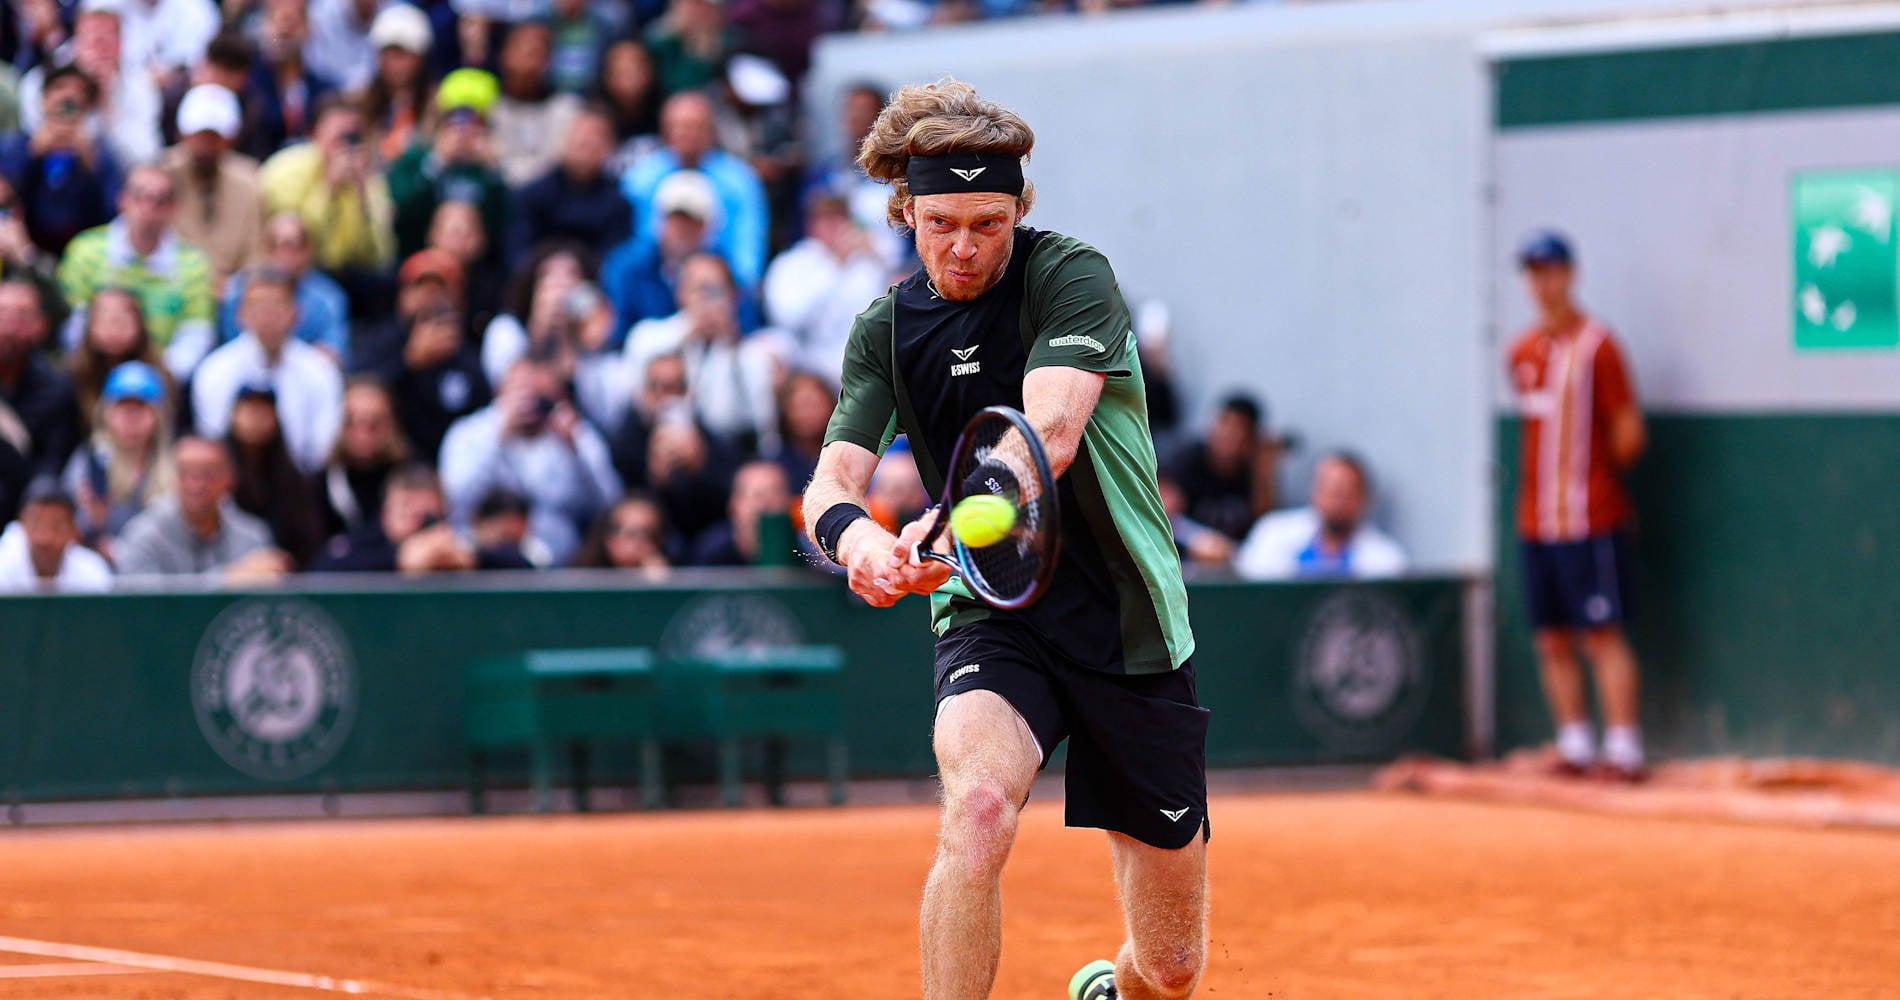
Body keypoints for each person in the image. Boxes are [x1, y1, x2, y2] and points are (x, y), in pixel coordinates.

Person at [800, 79, 1206, 1000]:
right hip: (992, 612)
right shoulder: (887, 329)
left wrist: (945, 523)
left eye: (989, 222)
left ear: (1021, 209)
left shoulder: (1070, 277)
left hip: (1127, 619)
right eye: (941, 222)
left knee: (1173, 971)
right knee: (979, 812)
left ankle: (1114, 987)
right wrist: (859, 543)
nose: (965, 247)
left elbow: (1045, 441)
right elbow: (831, 483)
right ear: (906, 211)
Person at [1508, 230, 1649, 782]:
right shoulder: (1520, 351)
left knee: (1603, 634)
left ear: (1571, 273)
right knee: (1551, 637)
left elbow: (1628, 434)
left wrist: (1590, 480)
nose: (1544, 283)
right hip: (1535, 521)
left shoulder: (1600, 346)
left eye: (1553, 270)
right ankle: (1574, 744)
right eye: (1534, 272)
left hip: (1591, 519)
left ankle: (1624, 749)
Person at [438, 355, 620, 567]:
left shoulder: (575, 434)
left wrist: (575, 453)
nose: (531, 406)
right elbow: (455, 500)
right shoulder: (469, 433)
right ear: (500, 390)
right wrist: (499, 435)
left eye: (541, 396)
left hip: (562, 565)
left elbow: (610, 505)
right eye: (524, 394)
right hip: (482, 559)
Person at [56, 164, 218, 376]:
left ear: (174, 207)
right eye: (139, 196)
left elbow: (196, 334)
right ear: (121, 199)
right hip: (91, 371)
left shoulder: (194, 262)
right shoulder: (86, 250)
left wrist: (155, 380)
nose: (149, 207)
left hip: (162, 380)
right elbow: (71, 324)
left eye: (160, 200)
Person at [621, 250, 775, 453]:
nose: (707, 300)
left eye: (716, 291)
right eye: (699, 289)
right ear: (681, 293)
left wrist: (729, 347)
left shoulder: (752, 355)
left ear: (734, 297)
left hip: (722, 458)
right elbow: (633, 398)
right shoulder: (648, 334)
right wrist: (689, 331)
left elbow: (761, 431)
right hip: (653, 449)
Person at [194, 269, 343, 474]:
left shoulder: (320, 370)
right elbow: (212, 439)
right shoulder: (214, 370)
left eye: (277, 306)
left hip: (301, 486)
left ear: (296, 313)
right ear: (241, 315)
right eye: (258, 306)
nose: (267, 316)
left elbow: (323, 448)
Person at [620, 90, 768, 290]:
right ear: (665, 130)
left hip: (720, 288)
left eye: (695, 126)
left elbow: (748, 255)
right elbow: (634, 244)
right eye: (679, 126)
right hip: (654, 282)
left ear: (711, 131)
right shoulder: (640, 177)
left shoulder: (740, 181)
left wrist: (735, 290)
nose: (687, 134)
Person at [368, 249, 490, 459]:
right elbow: (363, 393)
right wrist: (410, 362)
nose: (428, 297)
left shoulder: (472, 348)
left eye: (440, 289)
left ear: (458, 297)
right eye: (419, 288)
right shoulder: (381, 342)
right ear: (402, 296)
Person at [114, 434, 290, 579]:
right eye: (186, 473)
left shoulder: (252, 537)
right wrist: (228, 579)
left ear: (229, 479)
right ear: (172, 478)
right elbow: (138, 604)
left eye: (208, 474)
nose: (196, 485)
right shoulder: (143, 535)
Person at [257, 94, 396, 276]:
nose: (347, 146)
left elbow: (380, 255)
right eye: (340, 136)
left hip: (348, 272)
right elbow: (294, 244)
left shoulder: (368, 178)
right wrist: (327, 187)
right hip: (297, 272)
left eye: (354, 137)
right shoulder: (286, 171)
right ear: (315, 134)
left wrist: (362, 198)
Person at [762, 191, 891, 382]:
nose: (834, 226)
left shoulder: (867, 262)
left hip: (863, 364)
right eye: (825, 219)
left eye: (840, 218)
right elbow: (788, 318)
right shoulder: (791, 263)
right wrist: (835, 266)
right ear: (811, 225)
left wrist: (879, 260)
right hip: (807, 365)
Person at [16, 0, 163, 166]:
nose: (99, 50)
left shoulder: (140, 88)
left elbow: (145, 158)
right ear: (76, 41)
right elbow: (33, 143)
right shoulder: (40, 80)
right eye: (92, 40)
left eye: (107, 42)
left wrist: (108, 107)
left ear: (121, 45)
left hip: (114, 179)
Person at [311, 462, 530, 573]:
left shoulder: (455, 549)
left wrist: (472, 558)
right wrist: (398, 559)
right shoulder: (361, 545)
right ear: (386, 513)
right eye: (405, 512)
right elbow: (324, 571)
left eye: (426, 516)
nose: (416, 524)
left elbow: (528, 570)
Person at [387, 69, 511, 265]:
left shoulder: (489, 167)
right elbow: (401, 211)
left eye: (475, 123)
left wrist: (493, 171)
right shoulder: (416, 158)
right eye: (455, 121)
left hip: (482, 265)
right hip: (417, 257)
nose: (463, 132)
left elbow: (505, 223)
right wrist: (437, 162)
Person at [0, 63, 120, 258]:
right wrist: (32, 154)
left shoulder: (101, 153)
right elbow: (4, 197)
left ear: (88, 106)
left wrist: (90, 165)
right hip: (23, 243)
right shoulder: (16, 144)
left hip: (82, 248)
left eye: (80, 91)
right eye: (60, 87)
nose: (69, 96)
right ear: (44, 99)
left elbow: (113, 212)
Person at [1233, 451, 1407, 581]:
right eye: (1332, 491)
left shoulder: (1386, 558)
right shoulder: (1272, 533)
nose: (1339, 501)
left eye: (1348, 493)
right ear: (1315, 491)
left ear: (1364, 499)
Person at [63, 359, 174, 553]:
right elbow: (68, 528)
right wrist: (91, 523)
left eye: (140, 408)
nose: (131, 418)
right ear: (106, 413)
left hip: (159, 561)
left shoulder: (174, 461)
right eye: (123, 408)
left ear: (157, 414)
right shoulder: (90, 461)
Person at [164, 83, 265, 290]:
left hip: (233, 292)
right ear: (182, 134)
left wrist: (233, 288)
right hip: (172, 286)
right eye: (199, 135)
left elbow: (255, 254)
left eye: (214, 137)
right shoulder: (161, 175)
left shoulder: (249, 182)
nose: (205, 145)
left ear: (230, 138)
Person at [219, 212, 351, 364]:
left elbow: (332, 351)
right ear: (265, 250)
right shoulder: (237, 290)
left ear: (308, 251)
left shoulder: (329, 298)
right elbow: (230, 347)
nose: (285, 256)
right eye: (276, 246)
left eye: (294, 247)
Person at [600, 167, 715, 336]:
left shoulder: (720, 269)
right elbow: (616, 331)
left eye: (691, 222)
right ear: (659, 221)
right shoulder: (626, 266)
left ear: (706, 227)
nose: (681, 230)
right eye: (674, 220)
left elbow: (744, 325)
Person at [512, 104, 633, 264]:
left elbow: (614, 260)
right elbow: (518, 252)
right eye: (580, 136)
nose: (587, 142)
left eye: (597, 137)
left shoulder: (618, 203)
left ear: (610, 147)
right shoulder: (533, 194)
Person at [224, 380, 326, 567]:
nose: (256, 418)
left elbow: (305, 538)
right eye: (249, 409)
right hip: (227, 571)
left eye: (264, 411)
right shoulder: (218, 468)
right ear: (234, 415)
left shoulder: (292, 478)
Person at [1169, 393, 1275, 543]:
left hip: (1237, 557)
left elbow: (1265, 525)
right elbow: (1167, 515)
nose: (1231, 436)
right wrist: (1196, 539)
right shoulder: (1187, 460)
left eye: (1240, 430)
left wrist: (1265, 473)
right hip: (1187, 556)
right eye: (1226, 425)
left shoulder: (1254, 469)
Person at [0, 278, 79, 479]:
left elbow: (51, 466)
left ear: (41, 326)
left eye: (21, 316)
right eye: (2, 314)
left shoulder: (56, 389)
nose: (9, 327)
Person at [488, 19, 582, 189]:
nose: (531, 57)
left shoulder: (567, 108)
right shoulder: (488, 106)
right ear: (504, 54)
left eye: (540, 51)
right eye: (523, 48)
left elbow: (561, 165)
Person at [314, 375, 410, 539]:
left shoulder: (413, 481)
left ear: (392, 423)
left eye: (374, 423)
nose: (362, 433)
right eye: (350, 421)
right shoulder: (319, 486)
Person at [0, 477, 112, 591]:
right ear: (21, 524)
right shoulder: (3, 565)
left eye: (56, 527)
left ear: (74, 530)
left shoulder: (92, 570)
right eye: (36, 525)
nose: (45, 537)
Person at [360, 3, 432, 164]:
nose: (394, 65)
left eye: (401, 55)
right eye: (387, 55)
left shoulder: (436, 103)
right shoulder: (362, 101)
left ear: (420, 57)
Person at [688, 457, 787, 566]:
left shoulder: (804, 549)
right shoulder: (711, 553)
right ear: (733, 505)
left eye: (772, 493)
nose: (762, 504)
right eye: (752, 495)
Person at [572, 492, 672, 577]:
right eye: (631, 534)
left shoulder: (665, 576)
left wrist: (660, 584)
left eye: (648, 536)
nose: (638, 543)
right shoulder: (578, 577)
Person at [770, 368, 832, 492]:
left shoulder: (845, 455)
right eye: (800, 406)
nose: (807, 414)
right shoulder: (775, 464)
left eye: (814, 405)